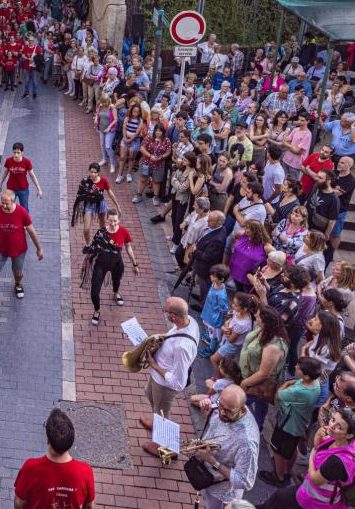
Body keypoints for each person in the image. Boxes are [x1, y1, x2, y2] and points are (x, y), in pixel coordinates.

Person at [261, 405, 355, 509]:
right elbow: (319, 447)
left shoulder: (337, 463)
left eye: (339, 427)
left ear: (349, 435)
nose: (332, 426)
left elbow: (314, 479)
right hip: (313, 491)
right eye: (333, 420)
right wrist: (318, 436)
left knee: (279, 498)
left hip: (315, 501)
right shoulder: (343, 440)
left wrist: (312, 453)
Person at [189, 385, 260, 509]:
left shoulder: (247, 443)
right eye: (220, 406)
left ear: (243, 411)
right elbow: (213, 426)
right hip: (207, 478)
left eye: (227, 411)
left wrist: (212, 461)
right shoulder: (226, 405)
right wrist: (205, 412)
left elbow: (245, 482)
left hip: (222, 494)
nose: (221, 412)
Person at [137, 296, 199, 437]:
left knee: (162, 413)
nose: (165, 313)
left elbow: (178, 382)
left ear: (174, 316)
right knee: (149, 395)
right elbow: (175, 334)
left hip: (165, 385)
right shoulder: (189, 321)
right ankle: (157, 423)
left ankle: (163, 443)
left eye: (166, 312)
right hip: (157, 377)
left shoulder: (182, 347)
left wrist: (154, 365)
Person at [260, 356, 324, 487]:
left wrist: (286, 384)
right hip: (298, 424)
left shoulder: (299, 391)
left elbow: (278, 395)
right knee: (291, 449)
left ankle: (279, 477)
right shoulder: (316, 383)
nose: (295, 367)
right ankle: (287, 472)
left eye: (298, 368)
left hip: (287, 425)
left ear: (306, 376)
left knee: (277, 450)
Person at [0, 189, 43, 321]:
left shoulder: (22, 212)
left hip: (18, 249)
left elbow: (31, 231)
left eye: (6, 203)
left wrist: (39, 249)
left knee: (18, 273)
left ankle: (18, 284)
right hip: (0, 249)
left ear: (13, 201)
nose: (4, 206)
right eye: (2, 202)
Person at [14, 407, 95, 509]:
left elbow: (19, 503)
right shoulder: (85, 471)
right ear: (71, 440)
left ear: (48, 440)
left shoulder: (30, 468)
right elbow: (89, 506)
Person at [83, 208, 139, 325]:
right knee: (94, 292)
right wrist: (84, 263)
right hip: (100, 264)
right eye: (110, 221)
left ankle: (116, 293)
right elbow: (93, 248)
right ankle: (97, 310)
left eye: (115, 221)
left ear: (119, 220)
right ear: (106, 220)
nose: (112, 223)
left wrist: (135, 264)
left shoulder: (123, 231)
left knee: (116, 281)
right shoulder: (101, 233)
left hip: (117, 263)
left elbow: (128, 247)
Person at [238, 306, 290, 426]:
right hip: (251, 376)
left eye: (258, 316)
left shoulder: (274, 347)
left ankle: (254, 427)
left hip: (257, 382)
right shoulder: (263, 329)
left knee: (239, 404)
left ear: (266, 321)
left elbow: (263, 374)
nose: (255, 316)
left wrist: (244, 383)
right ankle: (258, 425)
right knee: (261, 405)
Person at [71, 163, 120, 245]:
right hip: (89, 205)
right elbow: (80, 194)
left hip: (100, 204)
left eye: (95, 172)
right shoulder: (85, 181)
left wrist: (118, 206)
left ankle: (105, 241)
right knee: (86, 229)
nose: (93, 174)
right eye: (91, 172)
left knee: (102, 226)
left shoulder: (103, 180)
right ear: (88, 171)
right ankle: (88, 245)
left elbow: (110, 193)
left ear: (98, 173)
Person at [0, 142, 43, 212]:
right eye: (14, 152)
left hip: (23, 189)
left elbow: (32, 175)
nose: (16, 155)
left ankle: (25, 219)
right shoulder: (8, 161)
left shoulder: (27, 162)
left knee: (24, 209)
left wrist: (39, 188)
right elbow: (5, 173)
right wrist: (0, 184)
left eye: (18, 153)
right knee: (8, 207)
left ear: (22, 152)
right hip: (11, 189)